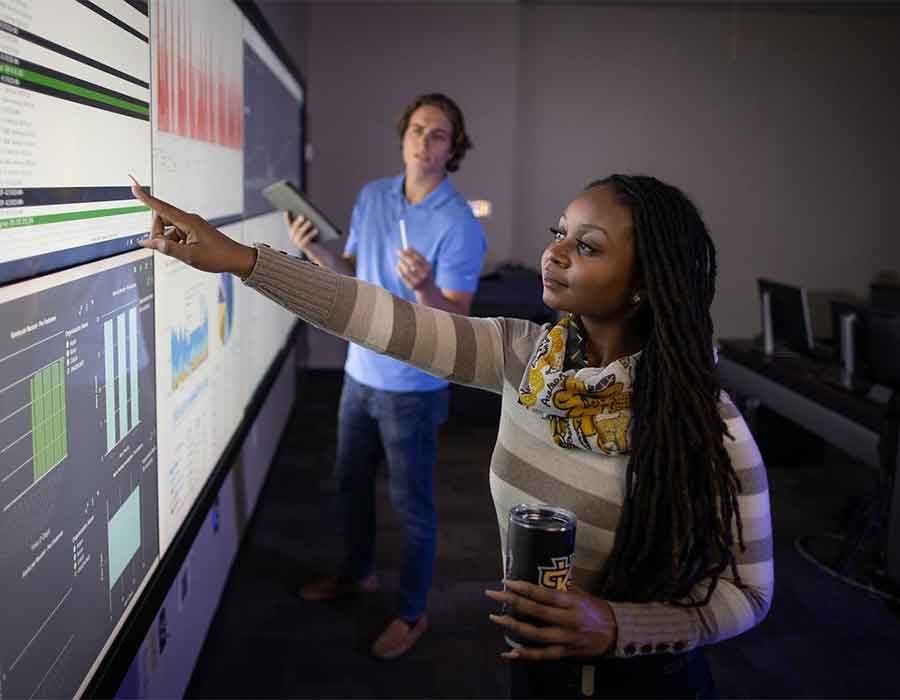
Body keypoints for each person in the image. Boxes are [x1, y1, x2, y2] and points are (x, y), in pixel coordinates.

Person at [132, 172, 774, 698]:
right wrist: (240, 260)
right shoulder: (528, 360)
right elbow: (376, 317)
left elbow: (749, 593)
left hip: (647, 680)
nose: (554, 252)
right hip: (536, 666)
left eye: (589, 245)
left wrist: (616, 625)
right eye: (560, 234)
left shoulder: (705, 424)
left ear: (644, 284)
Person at [283, 93, 486, 659]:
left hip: (413, 388)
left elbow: (459, 320)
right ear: (403, 136)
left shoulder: (459, 224)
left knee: (412, 506)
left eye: (438, 134)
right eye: (417, 129)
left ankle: (413, 612)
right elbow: (353, 277)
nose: (424, 142)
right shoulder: (372, 196)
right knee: (349, 486)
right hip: (359, 371)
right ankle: (358, 574)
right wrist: (316, 250)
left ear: (453, 150)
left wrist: (424, 289)